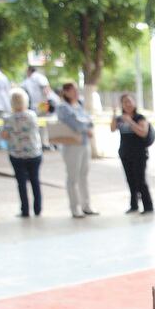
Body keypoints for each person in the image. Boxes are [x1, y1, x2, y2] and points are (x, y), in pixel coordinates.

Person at [57, 82, 97, 218]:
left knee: (83, 175)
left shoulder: (79, 105)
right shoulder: (63, 107)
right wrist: (85, 128)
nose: (75, 93)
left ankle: (86, 205)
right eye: (72, 90)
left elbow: (88, 121)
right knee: (73, 177)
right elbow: (75, 124)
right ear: (66, 92)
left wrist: (85, 126)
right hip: (72, 145)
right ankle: (75, 207)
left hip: (83, 143)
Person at [1, 88, 43, 217]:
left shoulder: (8, 118)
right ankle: (38, 208)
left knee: (21, 183)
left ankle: (25, 210)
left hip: (17, 154)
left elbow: (4, 135)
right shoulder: (32, 115)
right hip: (34, 153)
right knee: (35, 180)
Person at [111, 93, 153, 214]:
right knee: (130, 180)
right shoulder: (120, 118)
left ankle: (148, 206)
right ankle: (134, 205)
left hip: (139, 154)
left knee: (140, 180)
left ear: (134, 103)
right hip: (125, 153)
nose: (128, 104)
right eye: (125, 102)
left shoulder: (140, 118)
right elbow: (112, 128)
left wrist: (130, 122)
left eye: (130, 101)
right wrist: (114, 114)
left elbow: (143, 132)